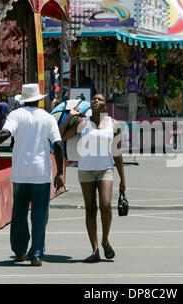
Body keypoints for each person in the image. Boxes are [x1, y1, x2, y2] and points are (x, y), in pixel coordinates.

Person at [0, 84, 64, 267]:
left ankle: (20, 251)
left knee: (19, 213)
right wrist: (60, 172)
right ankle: (37, 254)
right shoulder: (48, 118)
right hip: (41, 173)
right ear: (39, 99)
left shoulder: (16, 115)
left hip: (20, 172)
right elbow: (58, 145)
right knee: (40, 214)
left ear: (22, 99)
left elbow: (5, 133)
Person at [59, 93, 126, 263]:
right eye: (94, 99)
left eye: (100, 99)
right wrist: (70, 117)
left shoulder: (114, 125)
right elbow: (62, 135)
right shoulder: (83, 123)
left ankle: (105, 240)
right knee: (90, 209)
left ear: (106, 105)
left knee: (105, 206)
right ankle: (95, 249)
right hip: (86, 170)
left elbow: (117, 154)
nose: (95, 101)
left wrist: (123, 181)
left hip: (105, 169)